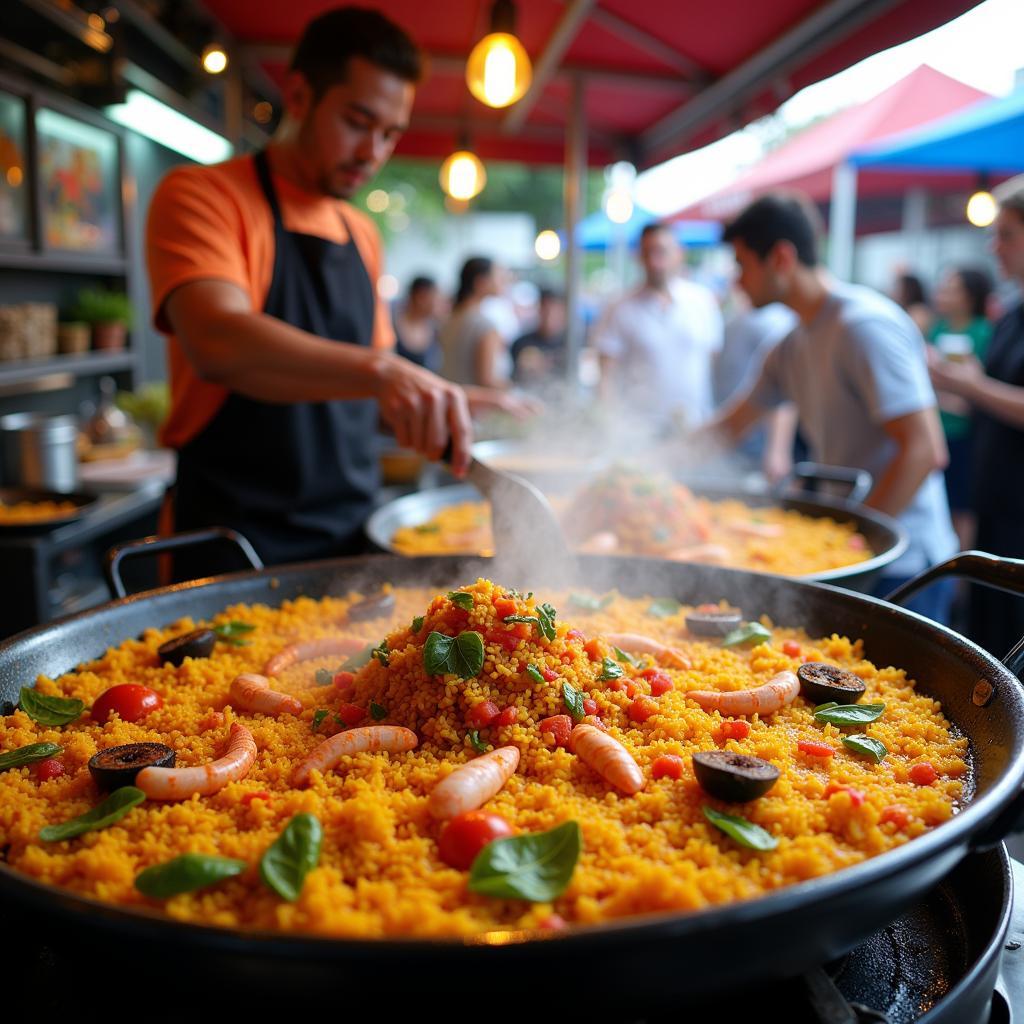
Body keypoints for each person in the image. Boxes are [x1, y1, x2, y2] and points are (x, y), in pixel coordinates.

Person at [146, 8, 476, 574]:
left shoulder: (361, 234)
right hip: (231, 546)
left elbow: (358, 397)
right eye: (357, 121)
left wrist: (432, 403)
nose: (373, 151)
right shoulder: (205, 196)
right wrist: (384, 371)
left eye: (391, 133)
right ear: (298, 96)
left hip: (354, 541)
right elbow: (217, 340)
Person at [702, 193, 957, 621]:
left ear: (781, 258)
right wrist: (640, 462)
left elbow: (924, 450)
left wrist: (854, 542)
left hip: (905, 565)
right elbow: (731, 426)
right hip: (851, 558)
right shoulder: (791, 343)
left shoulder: (864, 326)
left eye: (742, 265)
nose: (737, 281)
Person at [928, 176, 1024, 655]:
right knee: (988, 637)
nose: (995, 246)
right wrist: (944, 382)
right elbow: (983, 400)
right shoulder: (1009, 314)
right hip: (993, 496)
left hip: (1019, 510)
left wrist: (968, 384)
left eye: (1006, 234)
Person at [595, 222, 723, 429]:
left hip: (696, 426)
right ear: (638, 256)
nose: (655, 262)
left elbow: (713, 360)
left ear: (680, 253)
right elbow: (605, 375)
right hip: (639, 430)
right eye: (648, 253)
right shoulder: (619, 308)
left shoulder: (703, 301)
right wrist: (608, 423)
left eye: (661, 252)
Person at [927, 266, 993, 550]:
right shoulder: (937, 328)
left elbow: (979, 387)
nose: (942, 293)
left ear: (969, 296)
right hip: (937, 429)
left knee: (962, 507)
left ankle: (961, 580)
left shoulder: (984, 332)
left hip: (967, 434)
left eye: (951, 288)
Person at [712, 295, 798, 481]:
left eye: (744, 268)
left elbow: (781, 394)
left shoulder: (775, 321)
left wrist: (778, 450)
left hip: (759, 446)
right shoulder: (733, 320)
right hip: (736, 445)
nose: (739, 279)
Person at [439, 257, 512, 389]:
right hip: (477, 404)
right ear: (481, 282)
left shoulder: (449, 319)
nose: (504, 282)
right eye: (499, 277)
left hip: (453, 400)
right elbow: (486, 380)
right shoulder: (484, 326)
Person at [511, 288, 567, 390]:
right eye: (546, 310)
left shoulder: (570, 343)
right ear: (539, 309)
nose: (550, 316)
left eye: (555, 310)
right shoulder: (521, 343)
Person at [394, 275, 443, 372]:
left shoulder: (435, 330)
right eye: (436, 298)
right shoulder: (392, 326)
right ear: (421, 297)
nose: (439, 303)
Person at [892, 270, 933, 337]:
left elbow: (913, 335)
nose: (894, 292)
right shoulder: (901, 309)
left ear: (909, 290)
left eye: (898, 288)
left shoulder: (918, 311)